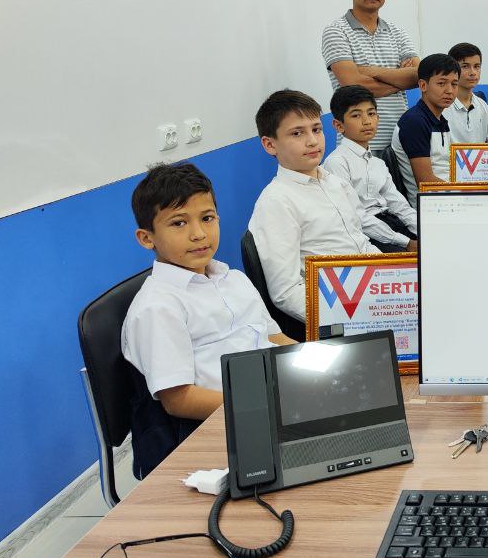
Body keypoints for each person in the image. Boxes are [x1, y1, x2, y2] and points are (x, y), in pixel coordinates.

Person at [122, 163, 294, 479]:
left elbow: (275, 338)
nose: (199, 233)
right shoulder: (157, 307)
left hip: (264, 404)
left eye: (207, 218)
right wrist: (262, 407)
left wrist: (317, 370)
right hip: (210, 428)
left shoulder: (234, 279)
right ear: (147, 238)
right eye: (178, 223)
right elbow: (179, 400)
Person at [248, 90, 380, 323]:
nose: (312, 141)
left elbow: (361, 243)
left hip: (372, 290)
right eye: (297, 133)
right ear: (270, 144)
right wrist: (350, 317)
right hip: (341, 310)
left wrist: (396, 277)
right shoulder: (277, 202)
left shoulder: (335, 183)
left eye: (316, 129)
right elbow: (286, 293)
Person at [322, 0, 420, 159]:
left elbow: (417, 77)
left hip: (400, 141)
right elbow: (354, 85)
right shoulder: (336, 31)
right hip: (360, 146)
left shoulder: (398, 32)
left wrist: (373, 71)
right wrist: (400, 78)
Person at [323, 85, 418, 252]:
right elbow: (356, 217)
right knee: (415, 262)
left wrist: (424, 229)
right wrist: (406, 242)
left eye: (371, 113)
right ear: (338, 125)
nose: (367, 121)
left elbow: (398, 204)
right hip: (366, 234)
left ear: (378, 118)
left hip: (391, 224)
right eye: (356, 115)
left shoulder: (378, 163)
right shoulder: (337, 162)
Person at [391, 53, 460, 206]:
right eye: (441, 83)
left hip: (450, 198)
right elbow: (426, 182)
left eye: (454, 84)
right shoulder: (414, 122)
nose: (449, 90)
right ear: (423, 85)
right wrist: (467, 193)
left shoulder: (441, 119)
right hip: (430, 207)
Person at [445, 42, 488, 144]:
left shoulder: (483, 105)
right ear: (452, 69)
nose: (473, 72)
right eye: (465, 66)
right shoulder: (442, 106)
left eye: (477, 66)